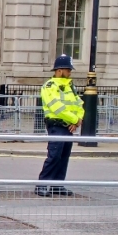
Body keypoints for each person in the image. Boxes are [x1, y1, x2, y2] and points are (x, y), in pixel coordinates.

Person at [35, 54, 84, 197]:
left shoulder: (70, 86)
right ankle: (41, 185)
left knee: (64, 156)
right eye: (68, 70)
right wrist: (74, 119)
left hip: (69, 126)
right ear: (59, 70)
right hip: (56, 125)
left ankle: (57, 185)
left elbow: (79, 103)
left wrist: (78, 119)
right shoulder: (50, 86)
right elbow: (56, 107)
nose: (70, 73)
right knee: (54, 156)